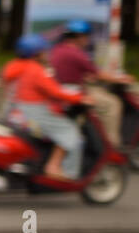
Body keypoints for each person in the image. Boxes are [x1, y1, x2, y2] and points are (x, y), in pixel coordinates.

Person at [3, 33, 94, 182]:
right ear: (36, 53)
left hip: (13, 113)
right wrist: (80, 98)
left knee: (59, 127)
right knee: (70, 130)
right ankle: (59, 169)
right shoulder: (35, 70)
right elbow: (55, 91)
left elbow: (32, 91)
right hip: (32, 115)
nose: (46, 54)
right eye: (44, 51)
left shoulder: (13, 66)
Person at [49, 20, 132, 148]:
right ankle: (112, 145)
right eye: (87, 36)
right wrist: (121, 79)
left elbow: (76, 71)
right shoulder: (77, 54)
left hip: (63, 90)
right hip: (76, 93)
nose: (88, 40)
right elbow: (99, 74)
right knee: (113, 104)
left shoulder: (58, 50)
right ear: (79, 37)